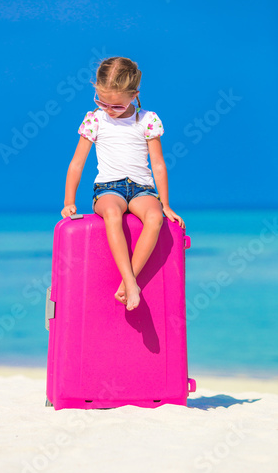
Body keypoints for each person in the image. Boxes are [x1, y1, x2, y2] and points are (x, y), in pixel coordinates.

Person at [61, 56, 186, 311]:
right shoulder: (95, 120)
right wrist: (69, 202)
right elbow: (76, 163)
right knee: (111, 212)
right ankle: (130, 281)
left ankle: (130, 281)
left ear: (134, 95)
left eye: (116, 106)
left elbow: (159, 165)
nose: (108, 109)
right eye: (101, 101)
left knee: (154, 218)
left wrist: (166, 204)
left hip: (142, 188)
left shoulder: (147, 120)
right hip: (108, 188)